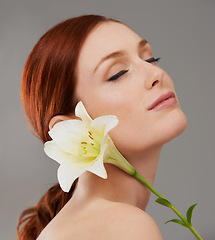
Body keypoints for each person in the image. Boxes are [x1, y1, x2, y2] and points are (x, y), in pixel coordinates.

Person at [17, 14, 187, 240]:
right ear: (69, 128)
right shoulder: (124, 225)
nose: (156, 74)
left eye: (149, 58)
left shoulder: (86, 222)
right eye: (118, 73)